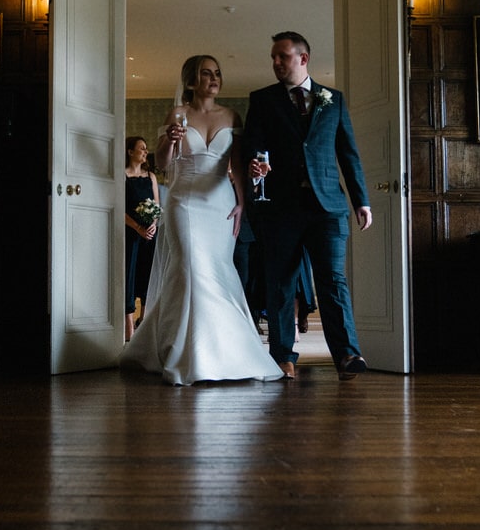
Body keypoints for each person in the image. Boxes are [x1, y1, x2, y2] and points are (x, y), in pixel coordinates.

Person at [120, 55, 284, 385]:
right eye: (206, 73)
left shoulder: (231, 115)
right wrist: (170, 139)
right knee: (190, 267)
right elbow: (164, 163)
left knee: (218, 268)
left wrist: (241, 202)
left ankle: (225, 350)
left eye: (217, 73)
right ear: (192, 80)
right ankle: (185, 352)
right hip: (184, 201)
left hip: (220, 202)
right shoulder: (178, 114)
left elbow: (236, 165)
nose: (214, 78)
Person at [243, 31, 372, 381]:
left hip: (328, 206)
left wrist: (362, 201)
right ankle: (283, 356)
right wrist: (257, 167)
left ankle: (347, 354)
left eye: (282, 56)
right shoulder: (263, 100)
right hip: (281, 209)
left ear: (303, 58)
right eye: (273, 57)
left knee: (333, 280)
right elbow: (253, 148)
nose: (275, 63)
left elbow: (348, 153)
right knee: (281, 283)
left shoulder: (334, 100)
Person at [123, 136, 159, 341]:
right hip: (131, 234)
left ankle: (144, 324)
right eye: (142, 149)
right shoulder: (123, 176)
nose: (146, 152)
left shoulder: (151, 176)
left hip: (150, 235)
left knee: (148, 277)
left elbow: (157, 204)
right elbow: (119, 207)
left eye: (146, 149)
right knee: (129, 277)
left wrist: (153, 223)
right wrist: (137, 227)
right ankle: (129, 330)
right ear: (130, 152)